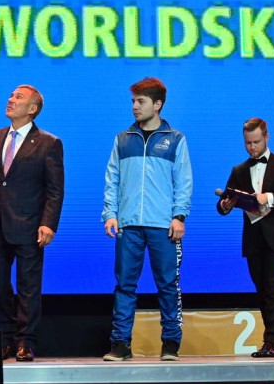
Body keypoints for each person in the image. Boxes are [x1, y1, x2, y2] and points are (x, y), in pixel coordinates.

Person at [0, 85, 65, 362]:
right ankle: (5, 339)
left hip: (29, 225)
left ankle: (26, 341)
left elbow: (54, 189)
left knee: (28, 287)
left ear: (32, 109)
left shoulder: (49, 142)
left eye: (18, 97)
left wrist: (49, 223)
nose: (11, 100)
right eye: (11, 95)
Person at [102, 77, 192, 362]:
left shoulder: (175, 139)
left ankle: (171, 343)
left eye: (140, 101)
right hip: (128, 225)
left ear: (157, 104)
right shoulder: (123, 139)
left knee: (168, 286)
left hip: (163, 226)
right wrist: (110, 214)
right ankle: (120, 344)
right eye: (133, 101)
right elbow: (112, 179)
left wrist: (179, 216)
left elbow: (183, 182)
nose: (135, 106)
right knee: (124, 286)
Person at [217, 118, 274, 358]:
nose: (252, 147)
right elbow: (225, 201)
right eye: (248, 143)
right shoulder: (239, 170)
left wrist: (269, 197)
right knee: (262, 289)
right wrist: (225, 205)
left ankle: (271, 342)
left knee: (273, 288)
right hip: (253, 239)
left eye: (256, 142)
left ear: (267, 137)